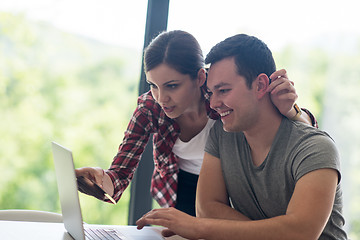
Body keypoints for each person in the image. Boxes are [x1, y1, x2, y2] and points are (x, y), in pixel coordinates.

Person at [76, 30, 316, 217]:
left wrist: (293, 110)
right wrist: (98, 180)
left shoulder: (225, 95)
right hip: (180, 189)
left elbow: (300, 128)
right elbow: (118, 177)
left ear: (201, 77)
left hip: (234, 190)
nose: (161, 98)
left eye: (172, 85)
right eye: (153, 85)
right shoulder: (150, 108)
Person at [136, 33, 347, 240]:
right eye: (211, 92)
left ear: (261, 85)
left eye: (224, 90)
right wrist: (276, 232)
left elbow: (300, 233)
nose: (213, 103)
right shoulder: (221, 134)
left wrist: (200, 228)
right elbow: (207, 208)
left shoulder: (315, 148)